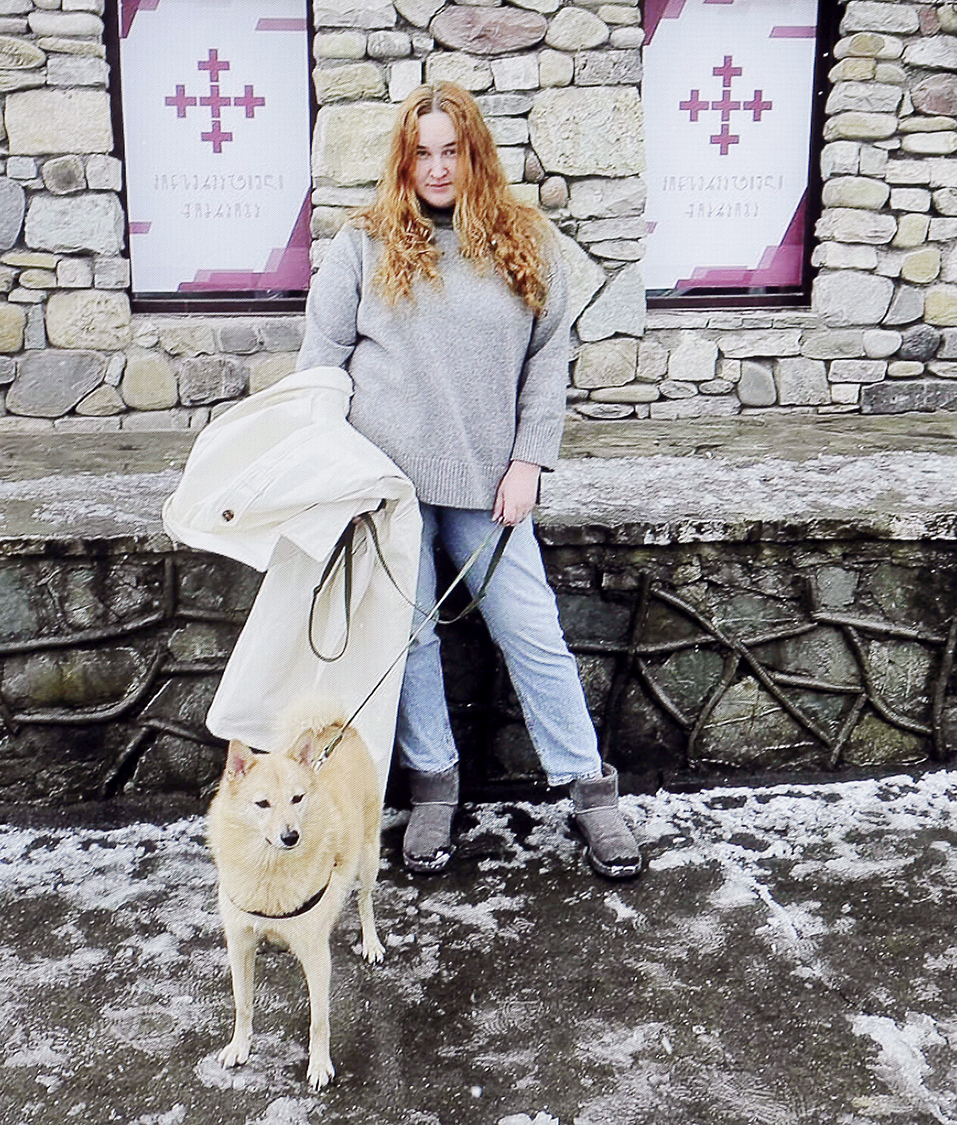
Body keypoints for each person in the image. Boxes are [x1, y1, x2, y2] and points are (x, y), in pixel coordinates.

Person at [295, 81, 643, 880]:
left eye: (452, 150)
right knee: (410, 637)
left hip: (490, 484)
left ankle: (591, 792)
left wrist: (529, 462)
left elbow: (547, 362)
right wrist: (336, 472)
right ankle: (432, 787)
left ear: (475, 152)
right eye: (422, 152)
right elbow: (321, 363)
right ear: (403, 159)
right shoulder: (364, 243)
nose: (437, 167)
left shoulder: (526, 240)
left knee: (532, 628)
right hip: (386, 485)